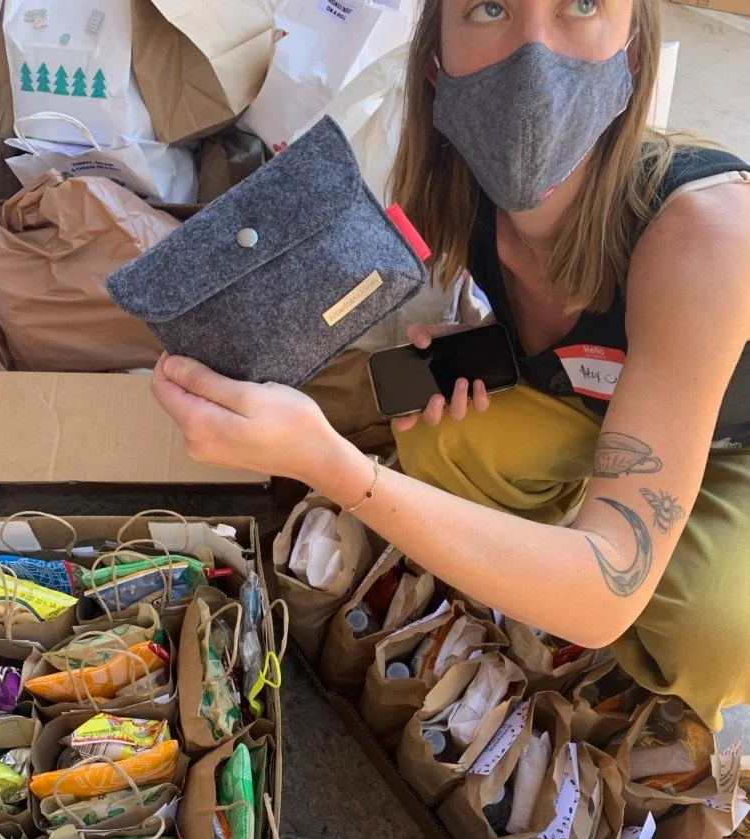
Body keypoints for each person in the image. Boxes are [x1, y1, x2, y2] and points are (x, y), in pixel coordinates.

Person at [151, 0, 750, 729]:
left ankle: (627, 658)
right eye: (490, 7)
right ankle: (541, 571)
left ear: (632, 52)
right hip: (596, 402)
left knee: (712, 633)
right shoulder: (459, 185)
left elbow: (606, 597)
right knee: (439, 438)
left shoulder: (706, 231)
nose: (535, 55)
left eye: (581, 5)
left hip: (734, 437)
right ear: (435, 56)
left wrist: (336, 467)